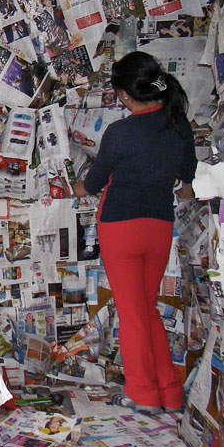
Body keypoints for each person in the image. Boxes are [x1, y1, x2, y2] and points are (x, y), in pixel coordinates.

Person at [73, 51, 196, 414]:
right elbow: (187, 177)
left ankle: (143, 392)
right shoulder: (178, 124)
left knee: (132, 314)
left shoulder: (120, 132)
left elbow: (92, 184)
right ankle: (170, 391)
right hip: (159, 226)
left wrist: (67, 187)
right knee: (146, 309)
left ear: (125, 96)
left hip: (121, 228)